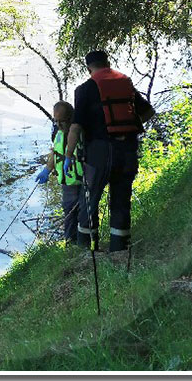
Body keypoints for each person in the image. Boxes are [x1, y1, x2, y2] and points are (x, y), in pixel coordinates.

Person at [66, 50, 155, 252]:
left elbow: (75, 127)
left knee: (89, 199)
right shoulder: (125, 83)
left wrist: (69, 155)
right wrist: (130, 126)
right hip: (128, 149)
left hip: (99, 153)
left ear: (88, 68)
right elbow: (148, 111)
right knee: (121, 199)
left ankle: (86, 249)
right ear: (107, 63)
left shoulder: (84, 89)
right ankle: (119, 248)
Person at [35, 101, 84, 242]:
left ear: (70, 118)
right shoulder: (58, 133)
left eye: (61, 121)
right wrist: (47, 170)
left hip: (82, 181)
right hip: (67, 182)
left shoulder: (79, 132)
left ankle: (81, 243)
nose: (58, 124)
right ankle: (70, 242)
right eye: (55, 121)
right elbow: (55, 152)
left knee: (82, 213)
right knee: (69, 212)